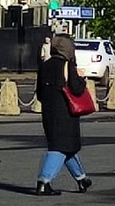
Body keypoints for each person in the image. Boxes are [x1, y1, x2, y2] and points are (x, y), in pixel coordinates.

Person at [34, 34, 92, 195]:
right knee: (59, 148)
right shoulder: (66, 66)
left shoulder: (44, 65)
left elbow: (39, 94)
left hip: (48, 112)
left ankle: (82, 179)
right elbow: (76, 89)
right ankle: (44, 182)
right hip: (66, 113)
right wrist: (82, 78)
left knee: (68, 147)